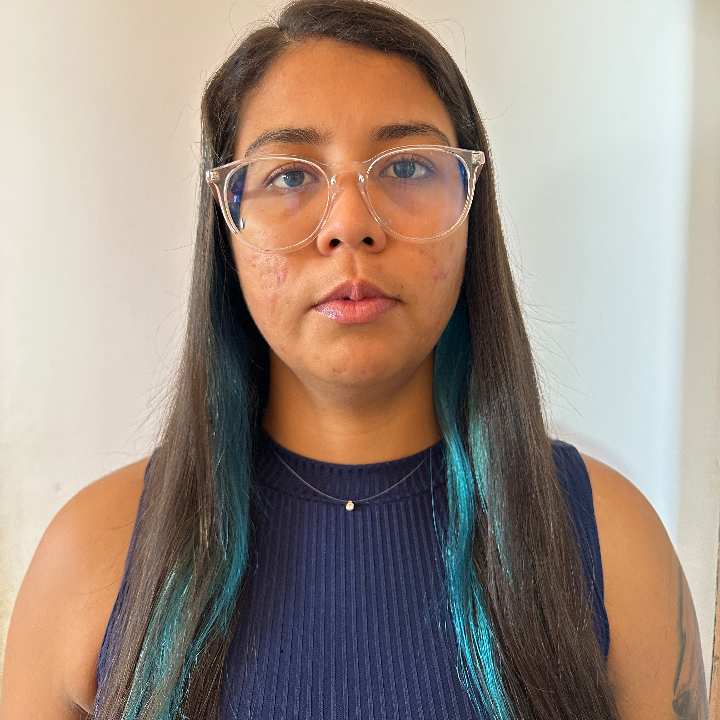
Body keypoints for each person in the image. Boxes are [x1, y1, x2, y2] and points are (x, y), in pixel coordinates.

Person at [0, 0, 709, 718]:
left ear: (471, 206)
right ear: (227, 222)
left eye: (407, 166)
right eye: (289, 176)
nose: (349, 225)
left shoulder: (613, 545)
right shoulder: (88, 559)